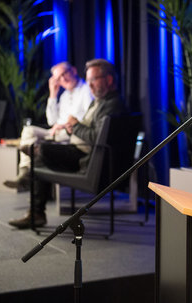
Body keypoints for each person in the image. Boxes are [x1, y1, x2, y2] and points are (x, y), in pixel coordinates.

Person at [8, 58, 127, 229]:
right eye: (89, 80)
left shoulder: (111, 105)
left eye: (93, 80)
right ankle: (33, 161)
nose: (90, 85)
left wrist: (75, 125)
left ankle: (36, 208)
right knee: (41, 152)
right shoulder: (101, 100)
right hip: (79, 147)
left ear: (108, 80)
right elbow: (54, 121)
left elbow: (95, 136)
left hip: (87, 158)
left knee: (42, 154)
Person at [3, 61, 93, 191]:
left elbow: (86, 119)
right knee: (29, 131)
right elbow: (51, 120)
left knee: (32, 146)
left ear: (73, 70)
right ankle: (24, 172)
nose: (62, 79)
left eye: (64, 74)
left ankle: (28, 170)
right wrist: (53, 94)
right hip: (56, 132)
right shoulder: (64, 95)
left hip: (72, 133)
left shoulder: (86, 90)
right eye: (58, 78)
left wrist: (61, 125)